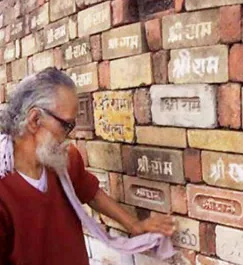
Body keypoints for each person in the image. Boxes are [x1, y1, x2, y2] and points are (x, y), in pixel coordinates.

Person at [0, 67, 176, 265]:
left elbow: (91, 193)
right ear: (35, 120)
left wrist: (134, 225)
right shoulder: (4, 190)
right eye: (66, 126)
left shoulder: (63, 161)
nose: (70, 134)